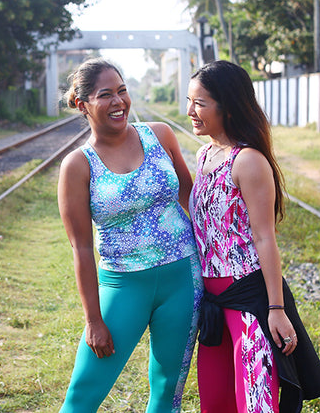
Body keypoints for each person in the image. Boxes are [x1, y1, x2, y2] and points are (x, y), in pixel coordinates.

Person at [57, 58, 203, 412]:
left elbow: (193, 200)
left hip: (183, 279)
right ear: (82, 103)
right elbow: (81, 247)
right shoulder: (78, 165)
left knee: (168, 392)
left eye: (122, 91)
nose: (119, 102)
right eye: (105, 95)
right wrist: (93, 320)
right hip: (123, 286)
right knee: (83, 393)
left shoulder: (160, 135)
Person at [186, 60, 320, 413]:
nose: (190, 111)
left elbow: (265, 238)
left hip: (248, 299)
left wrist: (277, 309)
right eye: (189, 101)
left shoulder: (247, 161)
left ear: (228, 106)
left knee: (256, 402)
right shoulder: (205, 154)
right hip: (213, 304)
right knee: (216, 401)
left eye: (200, 103)